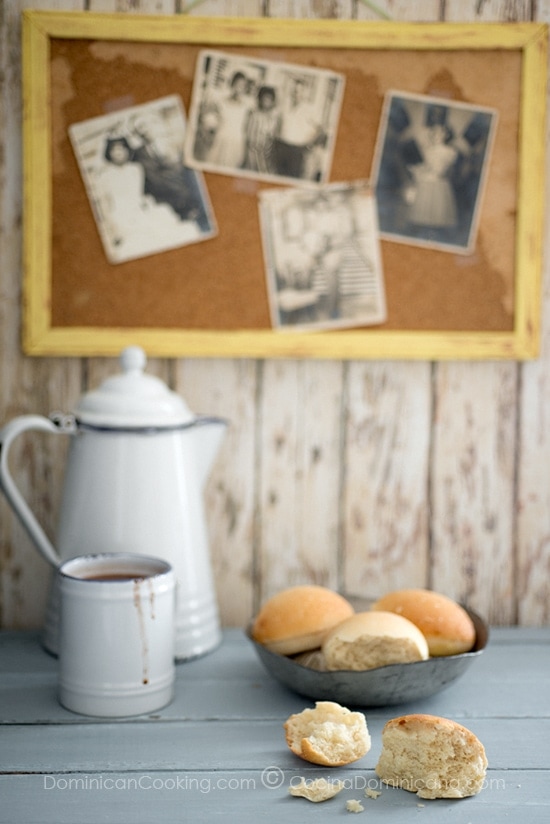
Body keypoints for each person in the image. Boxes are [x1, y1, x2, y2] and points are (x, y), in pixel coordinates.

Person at [96, 136, 200, 261]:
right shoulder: (105, 175)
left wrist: (145, 202)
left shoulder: (135, 169)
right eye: (115, 150)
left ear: (127, 150)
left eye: (122, 149)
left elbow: (140, 193)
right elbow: (104, 204)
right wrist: (113, 226)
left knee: (165, 221)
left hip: (140, 209)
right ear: (109, 153)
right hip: (120, 213)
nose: (119, 153)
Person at [273, 76, 325, 180]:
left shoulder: (310, 109)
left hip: (297, 151)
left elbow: (321, 130)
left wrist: (309, 145)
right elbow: (278, 125)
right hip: (281, 147)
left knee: (292, 178)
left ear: (305, 92)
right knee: (277, 176)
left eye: (299, 90)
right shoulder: (284, 106)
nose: (296, 93)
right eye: (294, 90)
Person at [205, 71, 251, 169]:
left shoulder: (246, 107)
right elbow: (210, 120)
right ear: (231, 84)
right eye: (237, 84)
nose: (239, 88)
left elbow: (246, 127)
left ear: (245, 88)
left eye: (242, 86)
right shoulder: (221, 103)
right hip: (221, 139)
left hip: (237, 141)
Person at [242, 85, 281, 174]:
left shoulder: (273, 118)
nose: (267, 102)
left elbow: (273, 135)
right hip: (252, 150)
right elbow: (249, 133)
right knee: (250, 171)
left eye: (269, 99)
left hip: (266, 153)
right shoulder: (254, 114)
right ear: (260, 99)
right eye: (264, 98)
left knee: (264, 172)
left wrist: (268, 147)